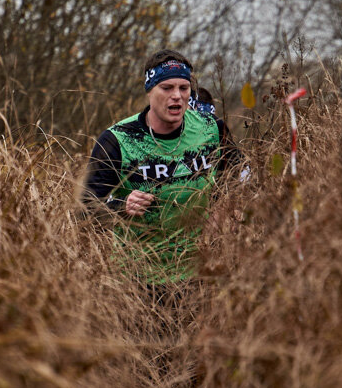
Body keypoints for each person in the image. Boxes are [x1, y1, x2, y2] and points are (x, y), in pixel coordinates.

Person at [82, 49, 238, 284]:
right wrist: (121, 205)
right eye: (166, 88)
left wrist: (220, 215)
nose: (176, 96)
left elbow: (242, 176)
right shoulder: (118, 139)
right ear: (149, 91)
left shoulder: (211, 129)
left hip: (200, 272)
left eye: (183, 88)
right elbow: (84, 207)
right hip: (136, 278)